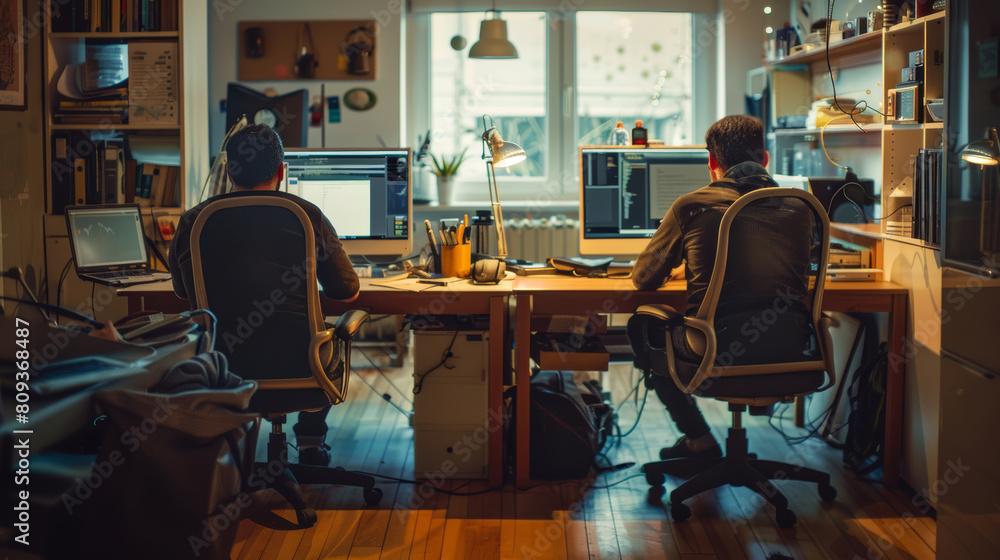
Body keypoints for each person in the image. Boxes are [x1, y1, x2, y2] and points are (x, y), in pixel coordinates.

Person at [169, 124, 359, 466]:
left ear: (229, 171)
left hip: (222, 367)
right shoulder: (306, 214)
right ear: (282, 171)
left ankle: (224, 455)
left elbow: (185, 293)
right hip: (303, 366)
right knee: (328, 333)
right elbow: (346, 290)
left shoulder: (195, 221)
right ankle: (311, 443)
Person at [629, 114, 813, 460]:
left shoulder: (692, 205)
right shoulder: (799, 206)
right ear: (765, 158)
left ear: (712, 161)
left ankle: (699, 439)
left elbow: (643, 279)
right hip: (792, 345)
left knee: (645, 325)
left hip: (714, 349)